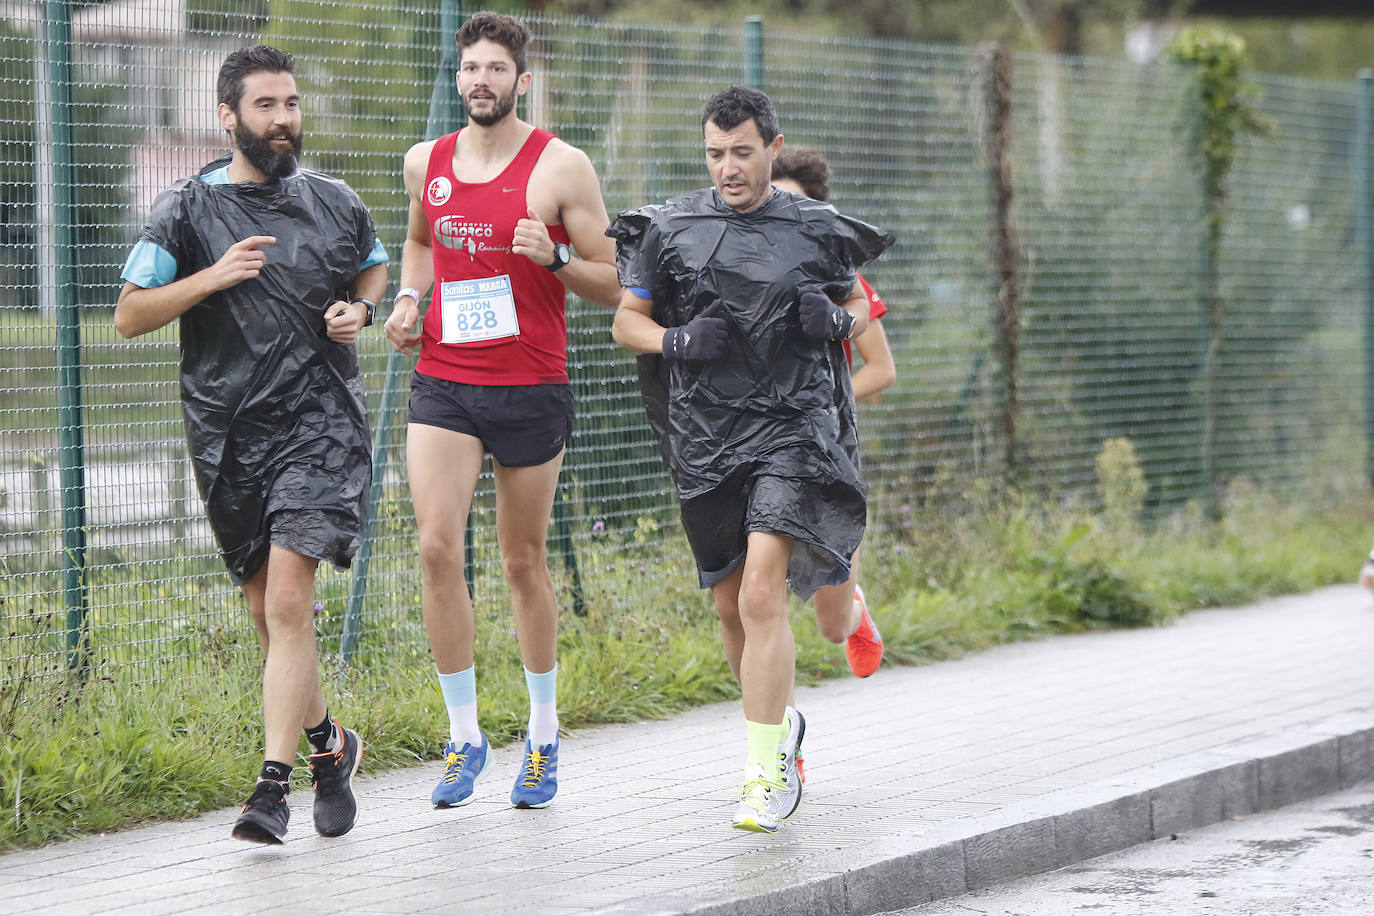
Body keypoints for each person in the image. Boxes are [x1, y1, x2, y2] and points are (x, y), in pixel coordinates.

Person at [114, 45, 388, 845]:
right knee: (271, 620)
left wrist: (361, 313)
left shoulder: (334, 202)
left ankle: (270, 792)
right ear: (229, 116)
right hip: (230, 436)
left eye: (292, 104)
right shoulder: (183, 212)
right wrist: (212, 277)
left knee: (290, 601)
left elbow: (371, 270)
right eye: (266, 106)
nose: (283, 120)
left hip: (321, 425)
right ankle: (330, 748)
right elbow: (129, 315)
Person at [608, 86, 893, 833]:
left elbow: (865, 310)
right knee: (731, 605)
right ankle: (781, 727)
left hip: (794, 427)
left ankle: (764, 773)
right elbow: (624, 322)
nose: (728, 168)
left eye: (741, 152)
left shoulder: (817, 229)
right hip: (707, 437)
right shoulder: (670, 229)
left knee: (764, 595)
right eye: (715, 154)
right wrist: (674, 341)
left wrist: (835, 320)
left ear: (772, 146)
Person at [383, 10, 621, 812]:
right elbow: (420, 242)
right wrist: (411, 299)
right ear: (458, 78)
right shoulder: (428, 162)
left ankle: (543, 737)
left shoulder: (562, 168)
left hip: (530, 384)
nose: (481, 81)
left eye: (497, 69)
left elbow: (613, 279)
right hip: (445, 379)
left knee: (521, 562)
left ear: (522, 80)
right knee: (435, 547)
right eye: (470, 68)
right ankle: (464, 737)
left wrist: (552, 255)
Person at [770, 145, 894, 683]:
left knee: (833, 628)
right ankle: (773, 706)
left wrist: (823, 403)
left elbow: (881, 370)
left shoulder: (843, 280)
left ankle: (855, 606)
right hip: (760, 441)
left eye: (795, 207)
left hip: (827, 444)